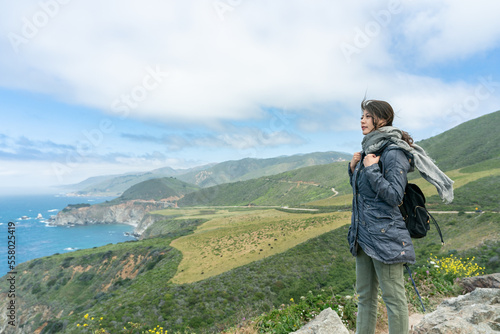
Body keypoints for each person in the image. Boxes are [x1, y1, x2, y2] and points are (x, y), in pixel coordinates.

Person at [347, 99, 454, 334]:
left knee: (393, 299)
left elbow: (394, 195)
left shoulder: (394, 152)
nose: (362, 120)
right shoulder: (369, 149)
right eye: (361, 116)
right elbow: (365, 195)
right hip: (363, 235)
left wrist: (372, 169)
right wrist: (354, 169)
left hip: (386, 238)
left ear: (382, 119)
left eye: (367, 116)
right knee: (365, 297)